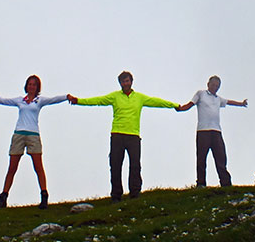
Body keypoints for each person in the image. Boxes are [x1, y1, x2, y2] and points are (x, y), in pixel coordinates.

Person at [67, 71, 180, 203]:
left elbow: (157, 102)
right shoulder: (115, 96)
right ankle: (116, 195)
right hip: (117, 135)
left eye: (127, 81)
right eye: (123, 81)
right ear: (120, 83)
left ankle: (135, 193)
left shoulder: (140, 97)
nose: (125, 83)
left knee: (135, 165)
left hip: (133, 136)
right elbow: (98, 100)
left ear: (131, 82)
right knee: (115, 165)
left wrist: (174, 105)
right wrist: (78, 101)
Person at [0, 75, 67, 209]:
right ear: (26, 86)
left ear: (38, 87)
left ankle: (44, 197)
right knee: (12, 168)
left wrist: (67, 96)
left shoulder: (39, 100)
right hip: (19, 134)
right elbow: (2, 100)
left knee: (38, 167)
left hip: (33, 135)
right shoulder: (20, 100)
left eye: (34, 85)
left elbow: (54, 99)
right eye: (30, 84)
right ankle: (3, 198)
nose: (31, 87)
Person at [176, 75, 247, 187]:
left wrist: (241, 104)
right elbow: (190, 104)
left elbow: (229, 102)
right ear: (208, 84)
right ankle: (201, 184)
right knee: (201, 158)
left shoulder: (218, 99)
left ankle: (226, 183)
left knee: (221, 157)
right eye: (213, 85)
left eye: (217, 86)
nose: (215, 87)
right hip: (203, 131)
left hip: (216, 131)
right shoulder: (200, 94)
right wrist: (180, 108)